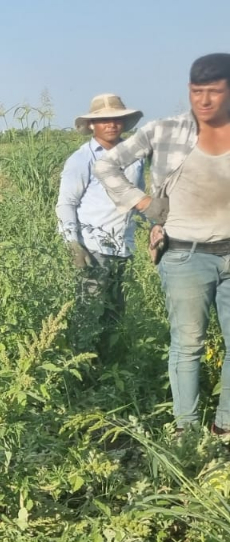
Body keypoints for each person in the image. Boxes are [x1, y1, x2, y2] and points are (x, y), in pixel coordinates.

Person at [96, 53, 230, 433]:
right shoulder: (165, 131)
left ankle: (224, 428)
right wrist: (143, 203)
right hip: (186, 256)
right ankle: (186, 432)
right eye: (196, 91)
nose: (203, 101)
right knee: (188, 345)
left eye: (214, 92)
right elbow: (107, 164)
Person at [56, 94, 144, 356]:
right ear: (93, 125)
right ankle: (81, 366)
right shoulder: (82, 159)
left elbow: (138, 198)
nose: (111, 124)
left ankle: (109, 367)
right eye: (104, 120)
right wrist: (73, 243)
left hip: (122, 247)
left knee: (115, 313)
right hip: (93, 248)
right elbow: (65, 203)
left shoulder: (134, 157)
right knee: (90, 312)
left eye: (116, 119)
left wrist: (156, 227)